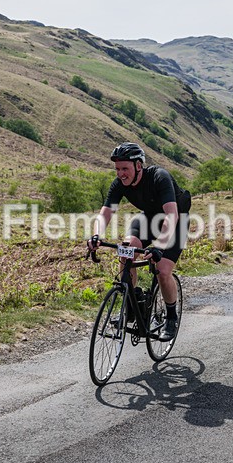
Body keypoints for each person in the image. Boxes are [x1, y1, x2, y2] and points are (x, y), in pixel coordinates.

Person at [87, 142, 191, 341]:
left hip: (175, 220)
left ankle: (171, 317)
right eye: (117, 169)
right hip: (149, 218)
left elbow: (171, 215)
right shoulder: (119, 184)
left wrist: (159, 246)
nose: (120, 174)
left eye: (124, 168)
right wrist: (96, 236)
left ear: (138, 166)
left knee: (162, 269)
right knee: (126, 250)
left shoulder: (160, 177)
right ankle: (132, 303)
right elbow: (105, 213)